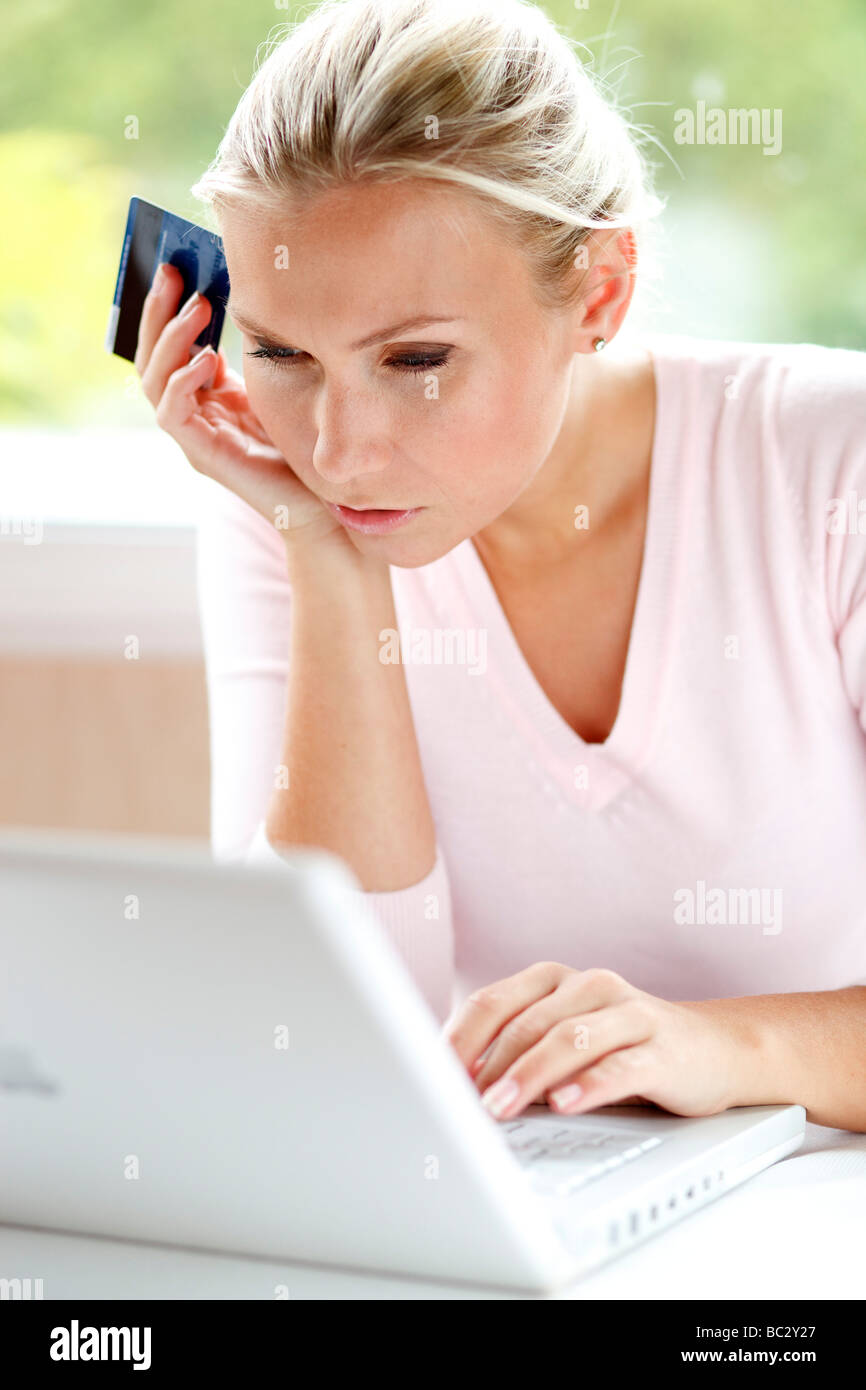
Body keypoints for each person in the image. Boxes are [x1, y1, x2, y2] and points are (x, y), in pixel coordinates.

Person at [134, 0, 866, 1130]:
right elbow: (321, 1028)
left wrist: (713, 1043)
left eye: (416, 358)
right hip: (515, 1224)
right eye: (280, 352)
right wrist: (329, 559)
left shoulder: (829, 464)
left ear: (600, 293)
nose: (337, 448)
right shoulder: (282, 500)